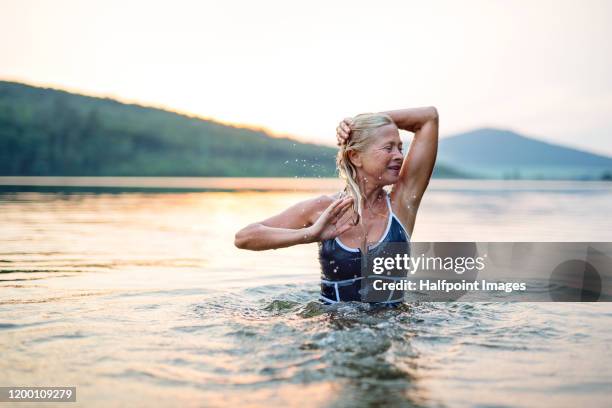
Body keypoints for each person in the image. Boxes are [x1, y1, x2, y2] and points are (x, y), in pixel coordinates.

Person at [234, 107, 439, 305]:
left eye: (400, 148)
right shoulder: (322, 209)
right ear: (355, 157)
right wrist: (311, 235)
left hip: (391, 333)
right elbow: (244, 237)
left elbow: (428, 118)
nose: (399, 156)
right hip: (333, 330)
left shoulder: (402, 204)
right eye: (388, 148)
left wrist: (362, 121)